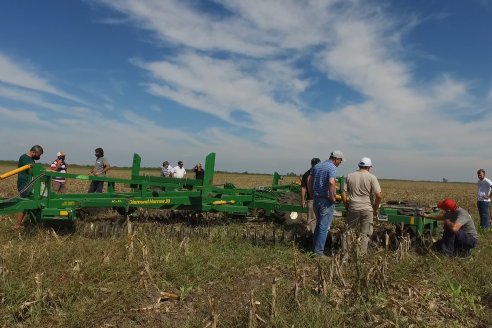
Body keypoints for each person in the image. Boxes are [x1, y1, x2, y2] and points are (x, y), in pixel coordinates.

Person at [307, 150, 344, 256]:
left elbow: (309, 180)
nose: (340, 163)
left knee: (319, 225)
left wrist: (312, 194)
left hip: (316, 200)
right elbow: (331, 182)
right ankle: (319, 253)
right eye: (340, 161)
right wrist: (332, 197)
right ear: (336, 159)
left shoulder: (317, 166)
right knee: (324, 227)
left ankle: (314, 248)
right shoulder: (332, 167)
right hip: (326, 201)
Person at [343, 157, 383, 255]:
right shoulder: (372, 177)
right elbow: (379, 195)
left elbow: (344, 193)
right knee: (365, 234)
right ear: (369, 167)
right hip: (367, 209)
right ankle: (361, 257)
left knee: (348, 232)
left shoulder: (349, 176)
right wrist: (375, 208)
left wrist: (347, 206)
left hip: (353, 207)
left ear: (359, 165)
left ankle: (345, 254)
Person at [15, 145, 44, 229]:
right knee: (25, 204)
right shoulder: (24, 158)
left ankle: (24, 224)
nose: (39, 157)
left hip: (29, 184)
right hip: (24, 184)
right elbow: (33, 170)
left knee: (29, 204)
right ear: (33, 152)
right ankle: (17, 225)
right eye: (38, 155)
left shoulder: (31, 159)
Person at [301, 158, 321, 234]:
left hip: (321, 200)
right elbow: (303, 187)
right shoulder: (307, 174)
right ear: (312, 165)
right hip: (311, 200)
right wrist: (303, 200)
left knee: (320, 219)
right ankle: (312, 235)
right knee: (312, 219)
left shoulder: (321, 173)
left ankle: (318, 235)